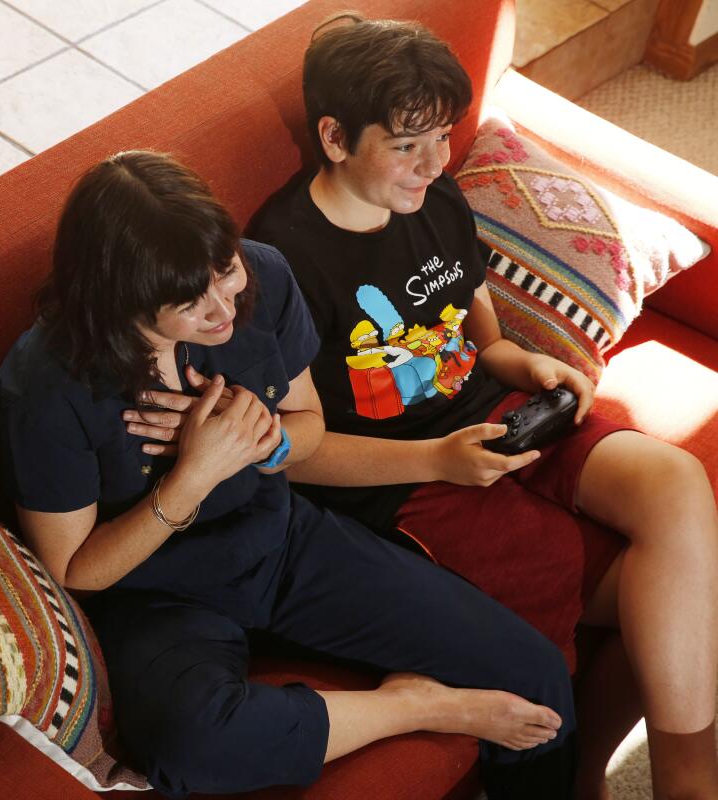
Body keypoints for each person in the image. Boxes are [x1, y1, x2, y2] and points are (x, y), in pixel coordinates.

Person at [0, 150, 578, 799]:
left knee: (536, 673)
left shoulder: (263, 274)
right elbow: (73, 569)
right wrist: (192, 474)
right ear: (118, 300)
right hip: (155, 596)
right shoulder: (48, 383)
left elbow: (309, 426)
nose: (222, 308)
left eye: (225, 272)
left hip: (279, 538)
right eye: (190, 302)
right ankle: (416, 704)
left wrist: (258, 438)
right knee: (196, 742)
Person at [237, 14, 718, 800]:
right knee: (660, 585)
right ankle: (600, 779)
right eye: (406, 145)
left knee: (677, 490)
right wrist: (438, 460)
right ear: (334, 137)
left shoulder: (436, 198)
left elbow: (470, 310)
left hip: (498, 412)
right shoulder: (281, 261)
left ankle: (685, 781)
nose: (433, 164)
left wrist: (518, 358)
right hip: (404, 479)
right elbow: (295, 451)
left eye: (444, 136)